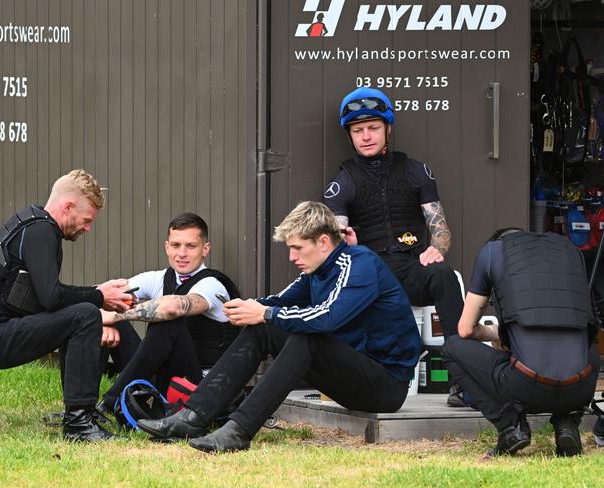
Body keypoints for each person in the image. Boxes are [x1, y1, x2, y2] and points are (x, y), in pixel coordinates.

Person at [131, 201, 421, 453]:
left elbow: (329, 316)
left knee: (304, 336)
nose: (292, 257)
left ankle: (239, 431)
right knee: (263, 326)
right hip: (350, 373)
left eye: (297, 248)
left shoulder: (359, 264)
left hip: (386, 386)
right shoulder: (317, 270)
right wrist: (242, 308)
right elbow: (275, 302)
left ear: (322, 242)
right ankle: (192, 417)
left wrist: (266, 312)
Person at [0, 169, 132, 442]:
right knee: (84, 315)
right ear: (68, 206)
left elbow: (48, 302)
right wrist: (99, 296)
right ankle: (78, 423)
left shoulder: (33, 226)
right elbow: (52, 298)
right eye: (86, 220)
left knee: (83, 315)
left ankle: (81, 413)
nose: (87, 228)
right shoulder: (40, 232)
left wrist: (100, 309)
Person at [323, 86, 465, 406]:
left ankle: (463, 380)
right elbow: (331, 241)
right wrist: (347, 245)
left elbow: (439, 227)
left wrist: (438, 248)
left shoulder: (416, 171)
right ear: (350, 135)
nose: (366, 136)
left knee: (444, 276)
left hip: (411, 267)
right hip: (372, 272)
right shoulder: (342, 182)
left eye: (373, 127)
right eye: (358, 130)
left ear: (388, 128)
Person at [442, 228, 600, 458]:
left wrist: (498, 334)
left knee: (452, 348)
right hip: (581, 386)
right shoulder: (570, 252)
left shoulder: (492, 253)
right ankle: (568, 424)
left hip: (527, 386)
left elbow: (465, 330)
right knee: (586, 350)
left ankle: (511, 427)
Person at [99, 213, 240, 414]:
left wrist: (113, 316)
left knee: (168, 322)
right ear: (167, 247)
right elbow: (101, 294)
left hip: (199, 384)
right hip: (162, 375)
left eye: (191, 246)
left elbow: (173, 308)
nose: (182, 253)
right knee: (93, 319)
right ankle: (81, 406)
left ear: (205, 249)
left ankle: (107, 404)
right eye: (176, 245)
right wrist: (106, 320)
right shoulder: (157, 278)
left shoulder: (212, 285)